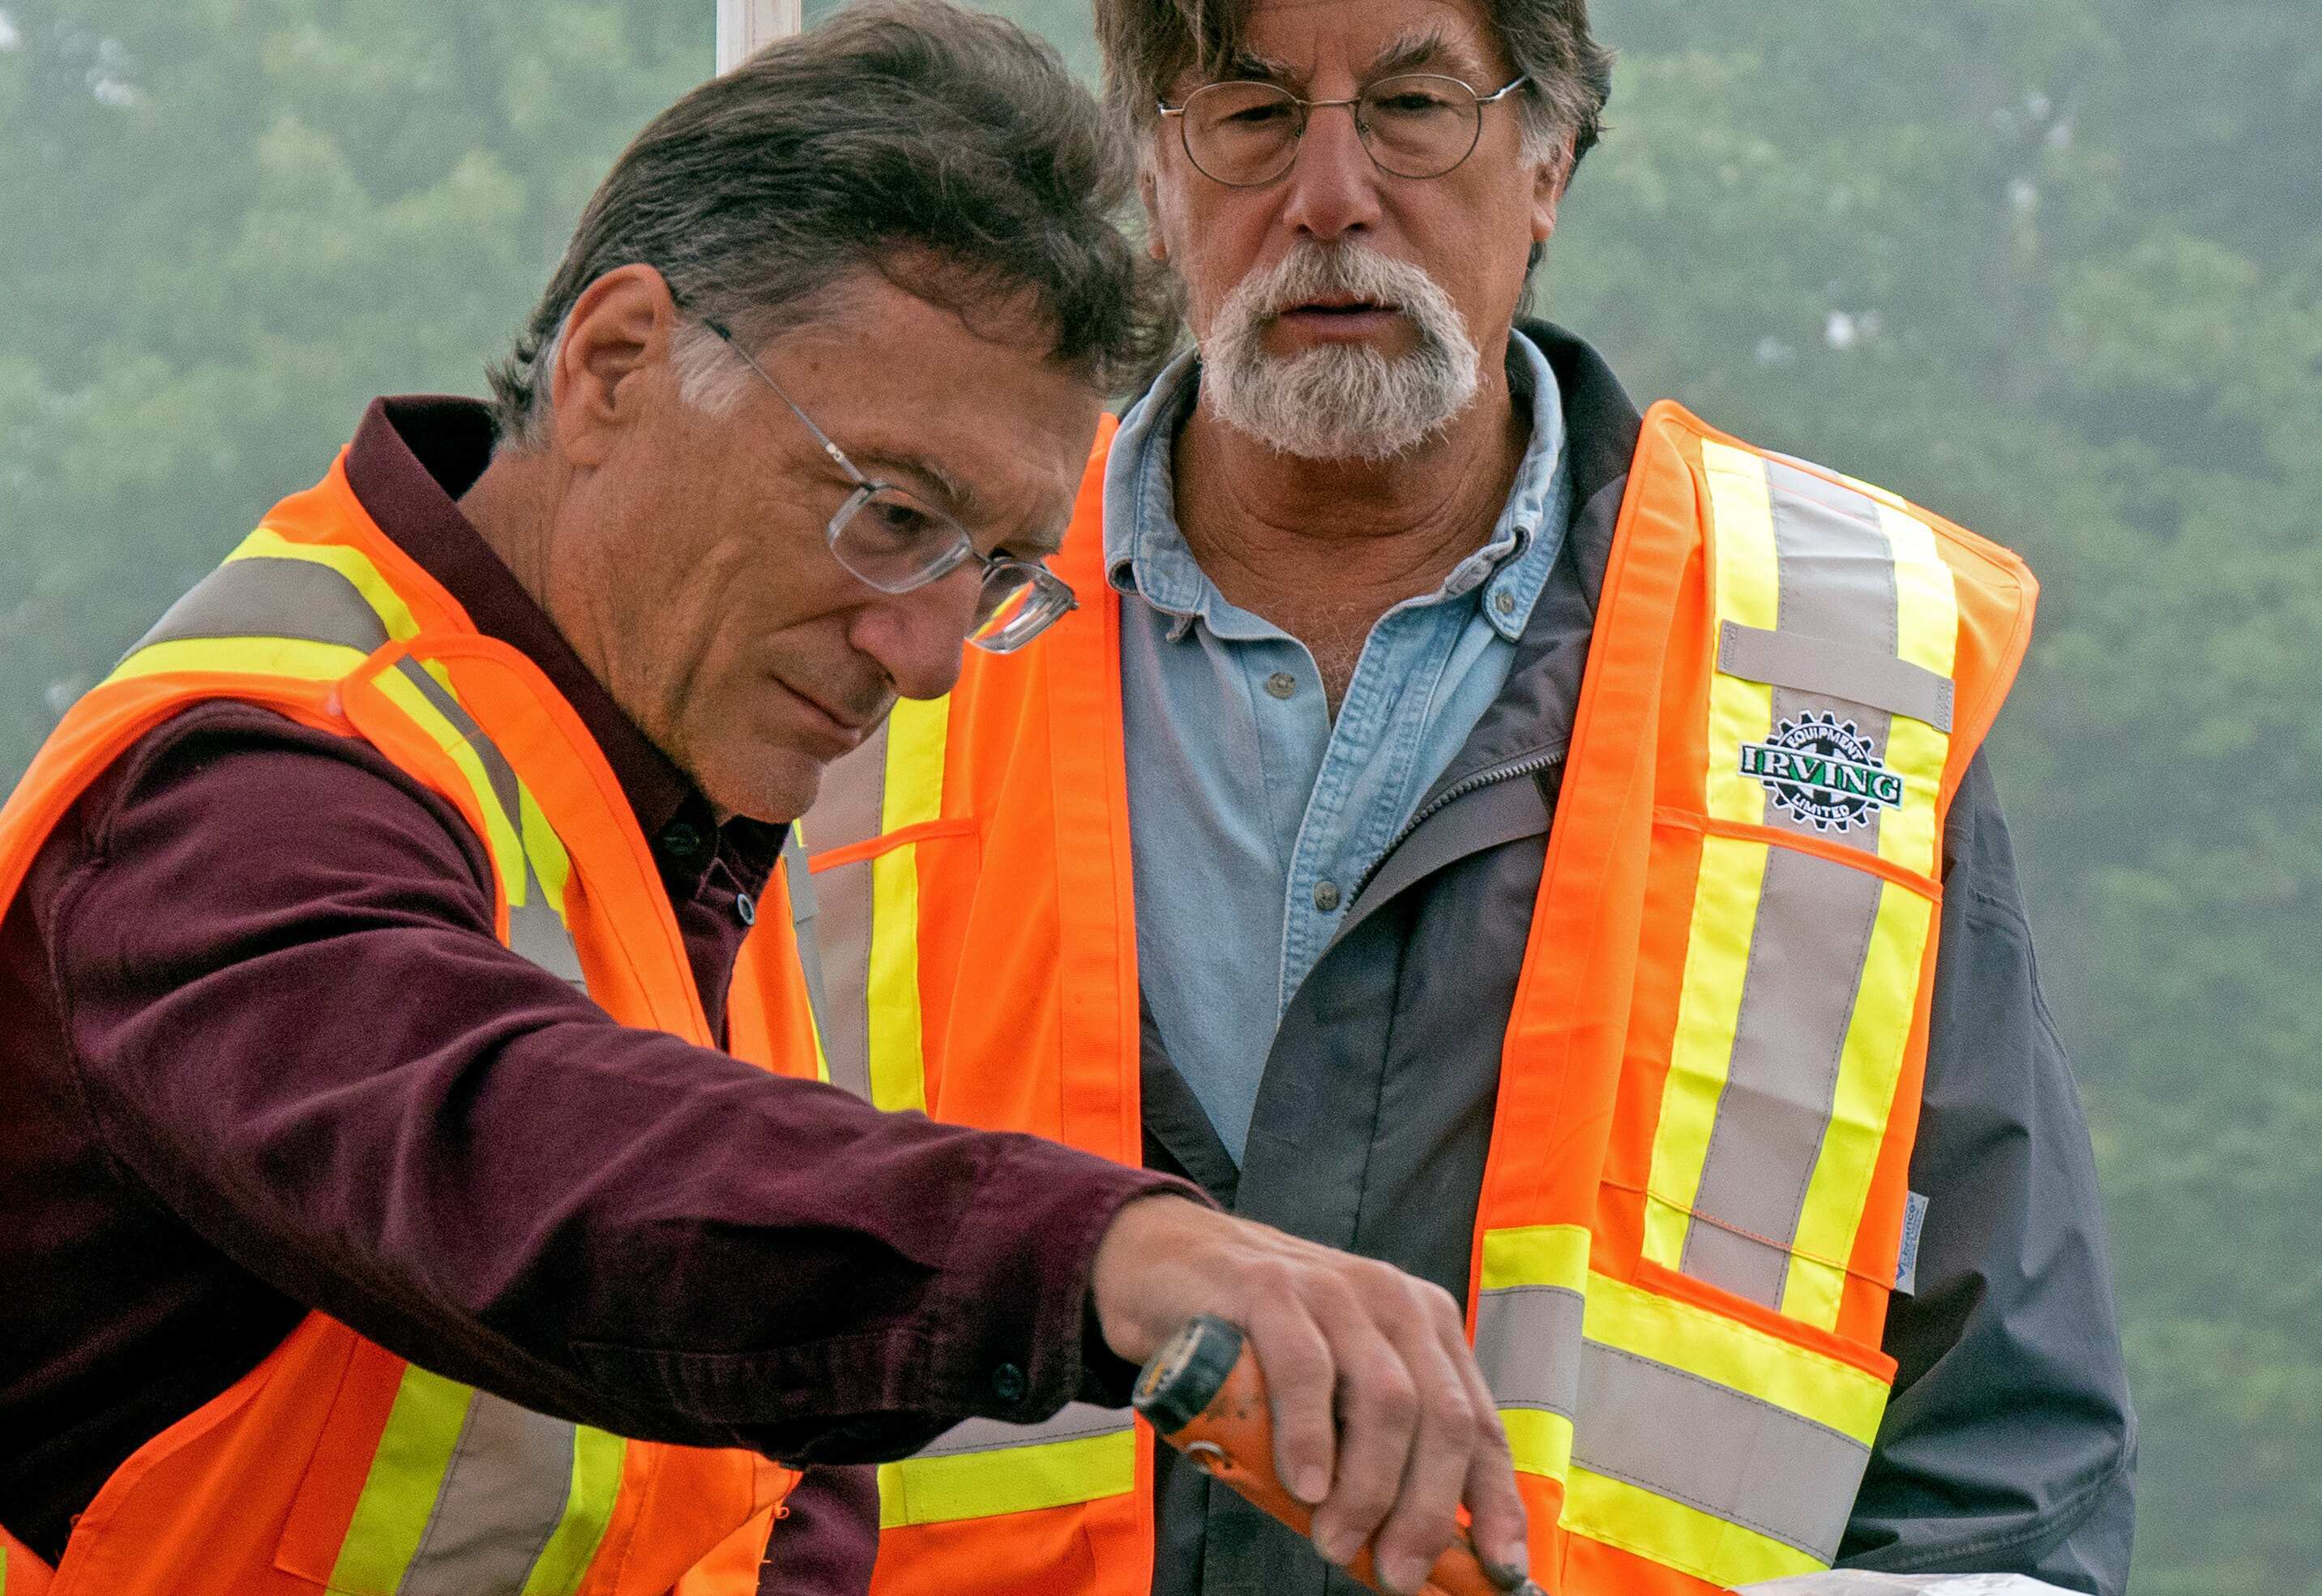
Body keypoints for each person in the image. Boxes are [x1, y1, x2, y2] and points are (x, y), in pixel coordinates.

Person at [0, 6, 1529, 1594]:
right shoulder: (241, 788)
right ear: (613, 364)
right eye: (891, 511)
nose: (927, 659)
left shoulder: (672, 815)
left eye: (995, 572)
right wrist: (1118, 1251)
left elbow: (754, 1490)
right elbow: (522, 1155)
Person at [804, 0, 2138, 1593]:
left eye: (1414, 107)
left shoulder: (1836, 674)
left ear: (1550, 159)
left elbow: (1998, 1496)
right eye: (1249, 115)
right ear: (1151, 179)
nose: (1330, 198)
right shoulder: (873, 622)